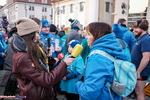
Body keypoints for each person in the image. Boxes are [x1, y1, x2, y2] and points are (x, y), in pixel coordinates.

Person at [12, 18, 76, 100]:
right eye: (36, 33)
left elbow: (39, 67)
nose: (38, 35)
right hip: (36, 96)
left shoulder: (29, 48)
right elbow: (46, 80)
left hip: (42, 94)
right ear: (29, 35)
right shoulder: (23, 57)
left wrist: (48, 58)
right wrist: (64, 64)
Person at [75, 22, 128, 100]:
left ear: (97, 36)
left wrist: (78, 84)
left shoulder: (97, 57)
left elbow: (90, 92)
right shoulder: (111, 49)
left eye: (89, 34)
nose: (86, 37)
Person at [131, 19, 150, 100]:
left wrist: (138, 71)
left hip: (141, 72)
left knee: (139, 91)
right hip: (138, 71)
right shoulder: (140, 38)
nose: (134, 30)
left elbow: (146, 58)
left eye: (136, 28)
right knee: (138, 91)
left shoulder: (146, 39)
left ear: (142, 28)